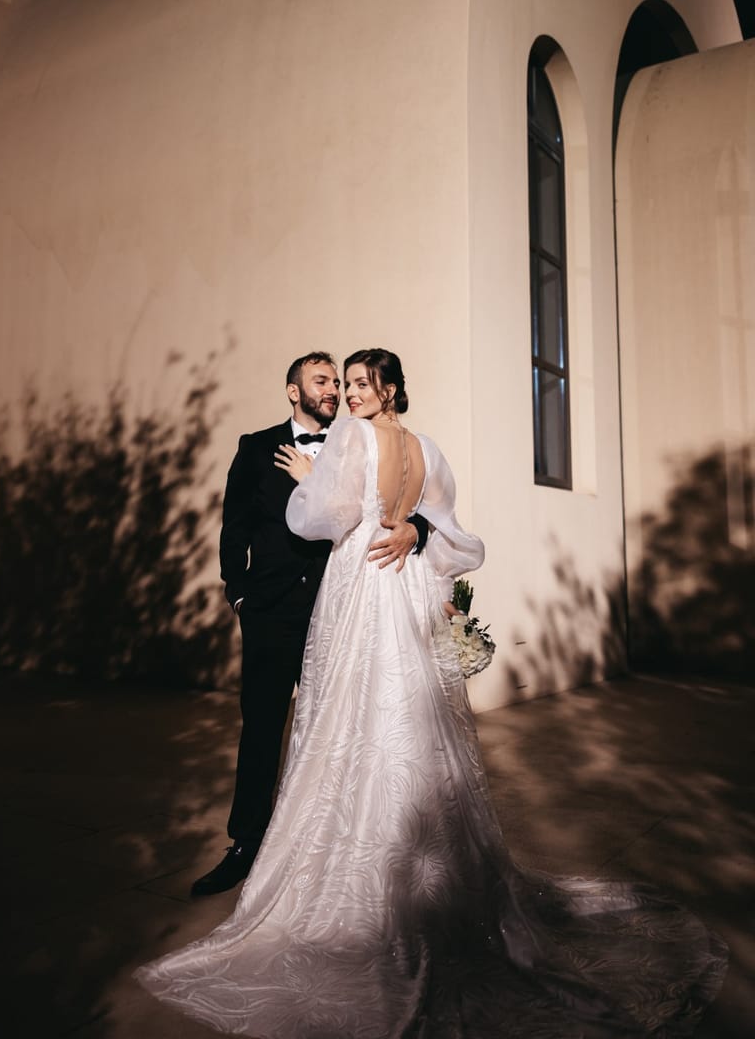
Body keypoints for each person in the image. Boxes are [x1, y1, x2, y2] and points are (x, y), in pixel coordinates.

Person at [138, 349, 727, 1037]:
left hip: (358, 593)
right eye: (340, 382)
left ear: (384, 389)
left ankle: (355, 870)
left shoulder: (351, 438)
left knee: (345, 722)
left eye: (358, 382)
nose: (348, 392)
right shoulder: (426, 446)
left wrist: (310, 482)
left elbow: (312, 520)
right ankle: (375, 858)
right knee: (406, 719)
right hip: (403, 595)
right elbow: (455, 537)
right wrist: (413, 529)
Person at [191, 351, 427, 896]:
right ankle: (246, 844)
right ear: (293, 391)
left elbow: (397, 501)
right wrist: (239, 593)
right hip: (271, 610)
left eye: (338, 382)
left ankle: (317, 847)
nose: (333, 390)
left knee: (332, 729)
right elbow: (235, 524)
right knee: (263, 726)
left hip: (338, 610)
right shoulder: (255, 447)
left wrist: (415, 528)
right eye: (322, 381)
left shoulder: (357, 440)